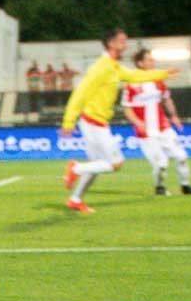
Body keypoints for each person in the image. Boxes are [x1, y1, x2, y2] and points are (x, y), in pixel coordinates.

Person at [60, 30, 178, 213]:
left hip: (95, 121)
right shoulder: (102, 67)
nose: (126, 45)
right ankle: (75, 168)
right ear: (111, 43)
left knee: (96, 164)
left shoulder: (113, 66)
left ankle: (75, 200)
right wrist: (68, 121)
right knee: (116, 163)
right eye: (122, 41)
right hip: (94, 122)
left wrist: (162, 74)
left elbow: (135, 76)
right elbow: (80, 93)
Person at [121, 48, 191, 196]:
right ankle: (160, 187)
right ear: (140, 63)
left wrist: (174, 116)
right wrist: (138, 123)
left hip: (163, 127)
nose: (153, 62)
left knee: (181, 156)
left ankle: (185, 186)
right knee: (161, 163)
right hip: (146, 132)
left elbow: (166, 99)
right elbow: (127, 109)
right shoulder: (131, 84)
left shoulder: (158, 81)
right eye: (149, 59)